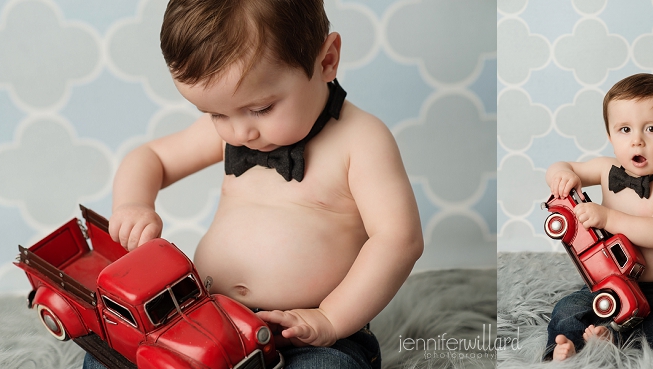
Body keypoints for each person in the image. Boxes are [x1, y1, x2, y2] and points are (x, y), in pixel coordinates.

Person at [83, 0, 424, 368]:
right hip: (205, 319)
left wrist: (330, 318)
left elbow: (398, 240)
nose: (239, 131)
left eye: (261, 109)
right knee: (108, 356)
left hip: (303, 335)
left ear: (326, 61)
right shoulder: (237, 129)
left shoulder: (361, 140)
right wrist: (133, 204)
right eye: (215, 114)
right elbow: (152, 158)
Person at [543, 73, 653, 361]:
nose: (637, 141)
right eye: (624, 129)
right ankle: (566, 345)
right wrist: (562, 174)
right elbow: (563, 165)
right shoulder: (607, 169)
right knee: (567, 308)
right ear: (610, 136)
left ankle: (620, 339)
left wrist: (607, 217)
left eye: (652, 129)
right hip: (610, 279)